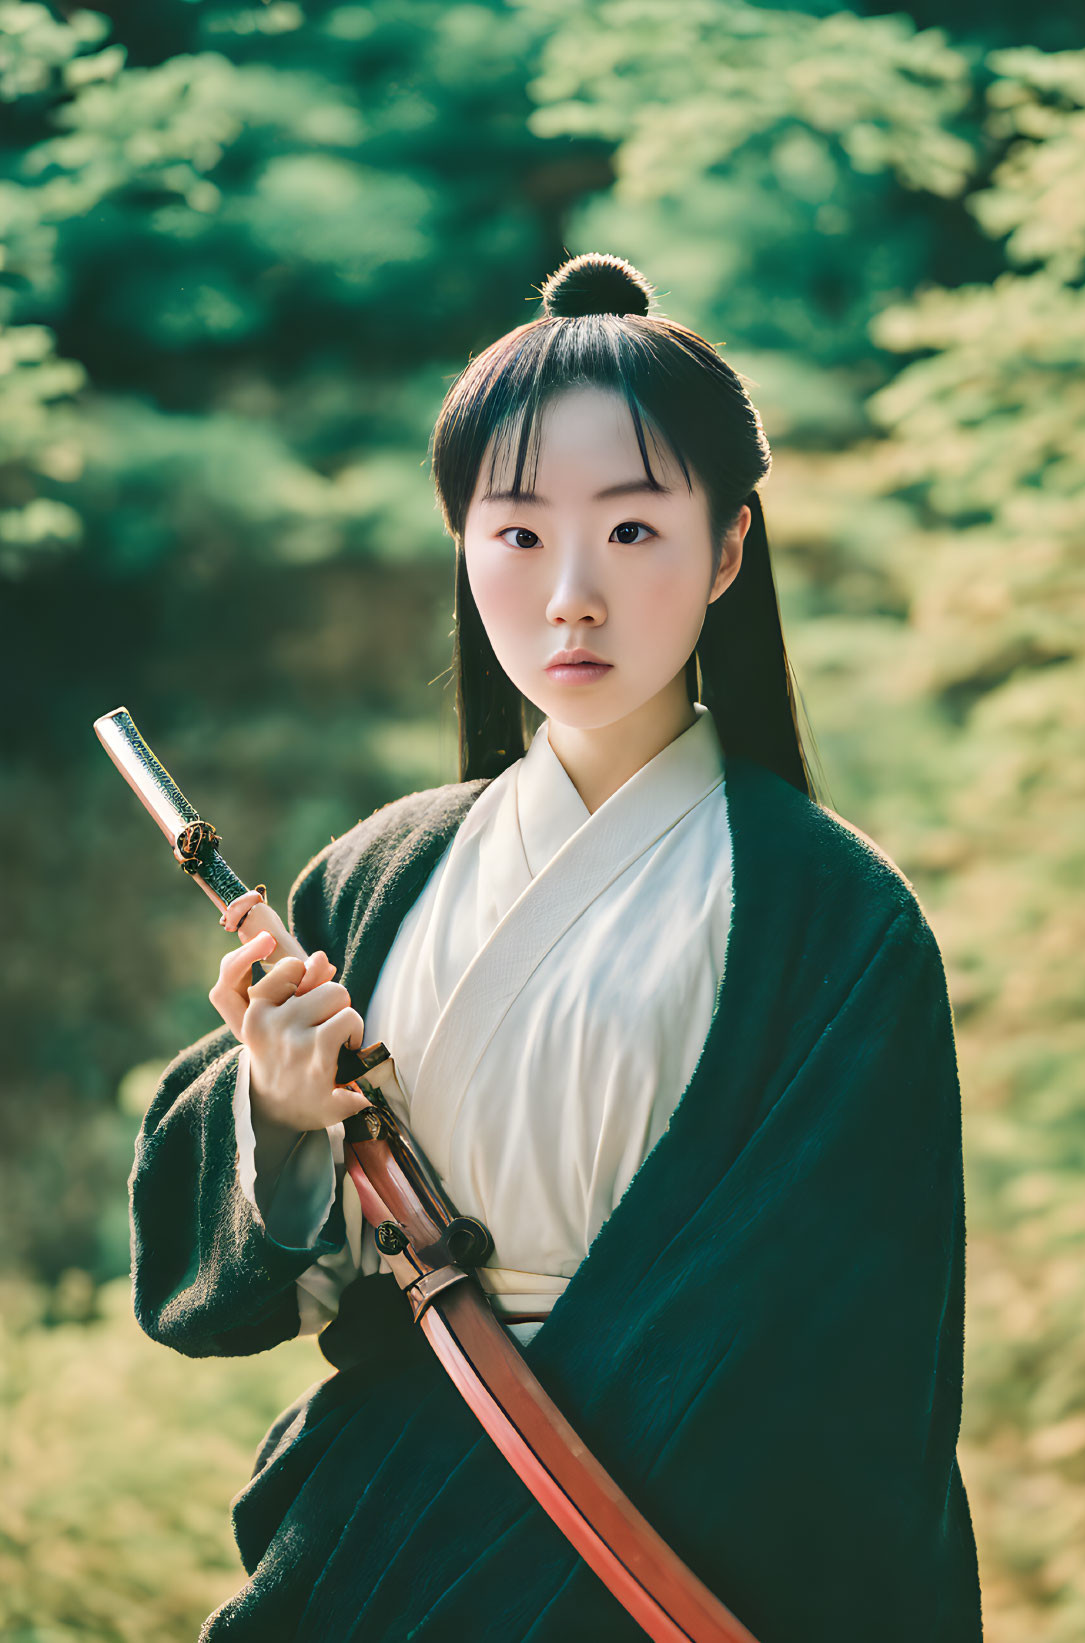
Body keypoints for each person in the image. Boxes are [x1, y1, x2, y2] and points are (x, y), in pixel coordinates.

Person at [129, 251, 984, 1641]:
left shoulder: (833, 922)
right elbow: (241, 1290)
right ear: (463, 549)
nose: (568, 594)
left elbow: (859, 1377)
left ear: (727, 550)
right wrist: (278, 1112)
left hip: (674, 1557)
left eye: (633, 532)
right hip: (386, 1543)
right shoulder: (378, 873)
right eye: (516, 535)